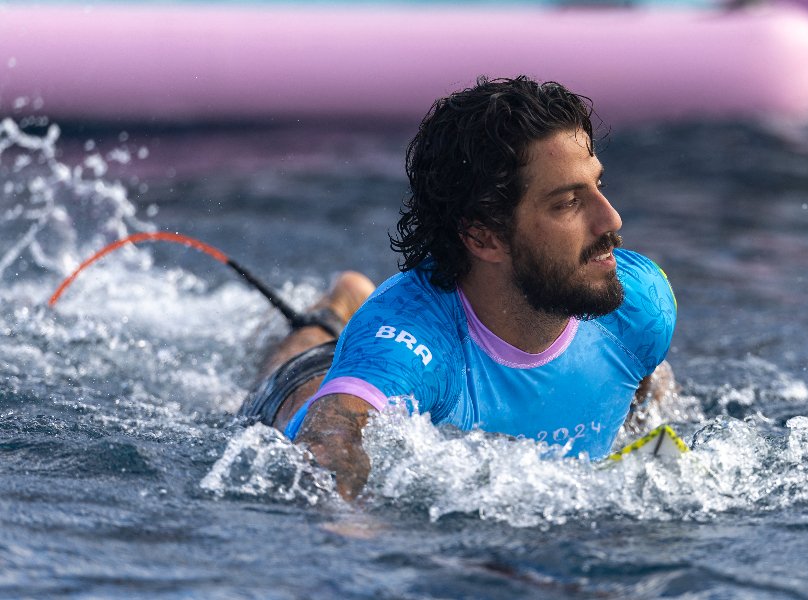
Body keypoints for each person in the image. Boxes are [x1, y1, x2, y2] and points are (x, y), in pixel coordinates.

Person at [241, 76, 678, 500]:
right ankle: (338, 306)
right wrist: (351, 534)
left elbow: (641, 381)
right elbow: (329, 435)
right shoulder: (414, 339)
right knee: (304, 373)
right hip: (320, 385)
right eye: (567, 203)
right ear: (484, 236)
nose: (612, 220)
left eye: (598, 186)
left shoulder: (641, 298)